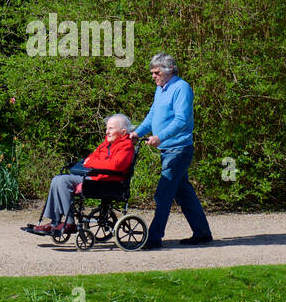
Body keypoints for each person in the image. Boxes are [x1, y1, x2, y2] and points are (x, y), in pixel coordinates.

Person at [129, 53, 212, 249]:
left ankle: (154, 238)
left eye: (156, 72)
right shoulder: (161, 89)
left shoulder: (181, 88)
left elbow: (182, 121)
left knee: (163, 193)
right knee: (184, 194)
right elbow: (152, 116)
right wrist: (137, 133)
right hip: (168, 150)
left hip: (178, 149)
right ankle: (202, 233)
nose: (153, 76)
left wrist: (160, 137)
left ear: (169, 70)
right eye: (152, 72)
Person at [23, 115, 136, 237]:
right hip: (94, 177)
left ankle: (70, 223)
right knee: (58, 180)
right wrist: (93, 163)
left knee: (62, 182)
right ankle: (55, 222)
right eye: (106, 128)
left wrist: (92, 164)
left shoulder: (126, 146)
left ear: (123, 132)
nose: (107, 132)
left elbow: (114, 166)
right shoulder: (106, 144)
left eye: (111, 128)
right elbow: (90, 158)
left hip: (107, 182)